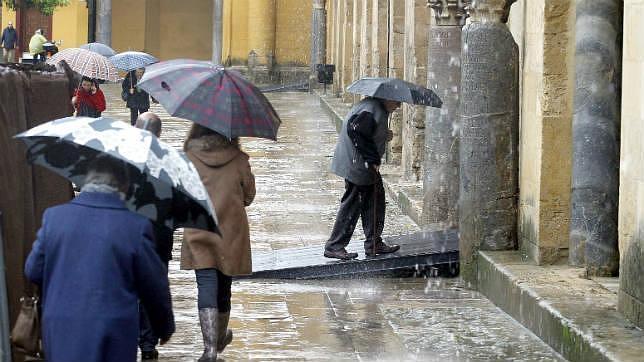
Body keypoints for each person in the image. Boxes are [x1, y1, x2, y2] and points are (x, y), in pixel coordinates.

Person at [24, 156, 175, 362]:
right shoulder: (135, 226)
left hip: (61, 327)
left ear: (86, 181)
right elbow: (154, 285)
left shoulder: (54, 218)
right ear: (124, 186)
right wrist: (164, 326)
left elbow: (33, 270)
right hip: (114, 331)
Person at [181, 124, 255, 362]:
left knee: (205, 284)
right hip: (230, 231)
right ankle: (219, 338)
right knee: (224, 286)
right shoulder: (239, 159)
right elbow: (249, 195)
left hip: (199, 228)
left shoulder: (189, 156)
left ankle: (210, 347)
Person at [324, 96, 402, 260]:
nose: (399, 105)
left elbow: (367, 131)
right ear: (386, 98)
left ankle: (374, 243)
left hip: (361, 164)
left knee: (376, 200)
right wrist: (372, 159)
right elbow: (356, 130)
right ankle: (334, 246)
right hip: (357, 164)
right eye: (396, 101)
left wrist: (383, 134)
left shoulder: (376, 108)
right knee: (352, 204)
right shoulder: (373, 109)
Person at [134, 111, 174, 360]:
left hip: (127, 235)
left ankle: (131, 337)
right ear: (159, 133)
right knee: (152, 288)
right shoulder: (170, 161)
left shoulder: (121, 157)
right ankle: (148, 344)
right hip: (159, 236)